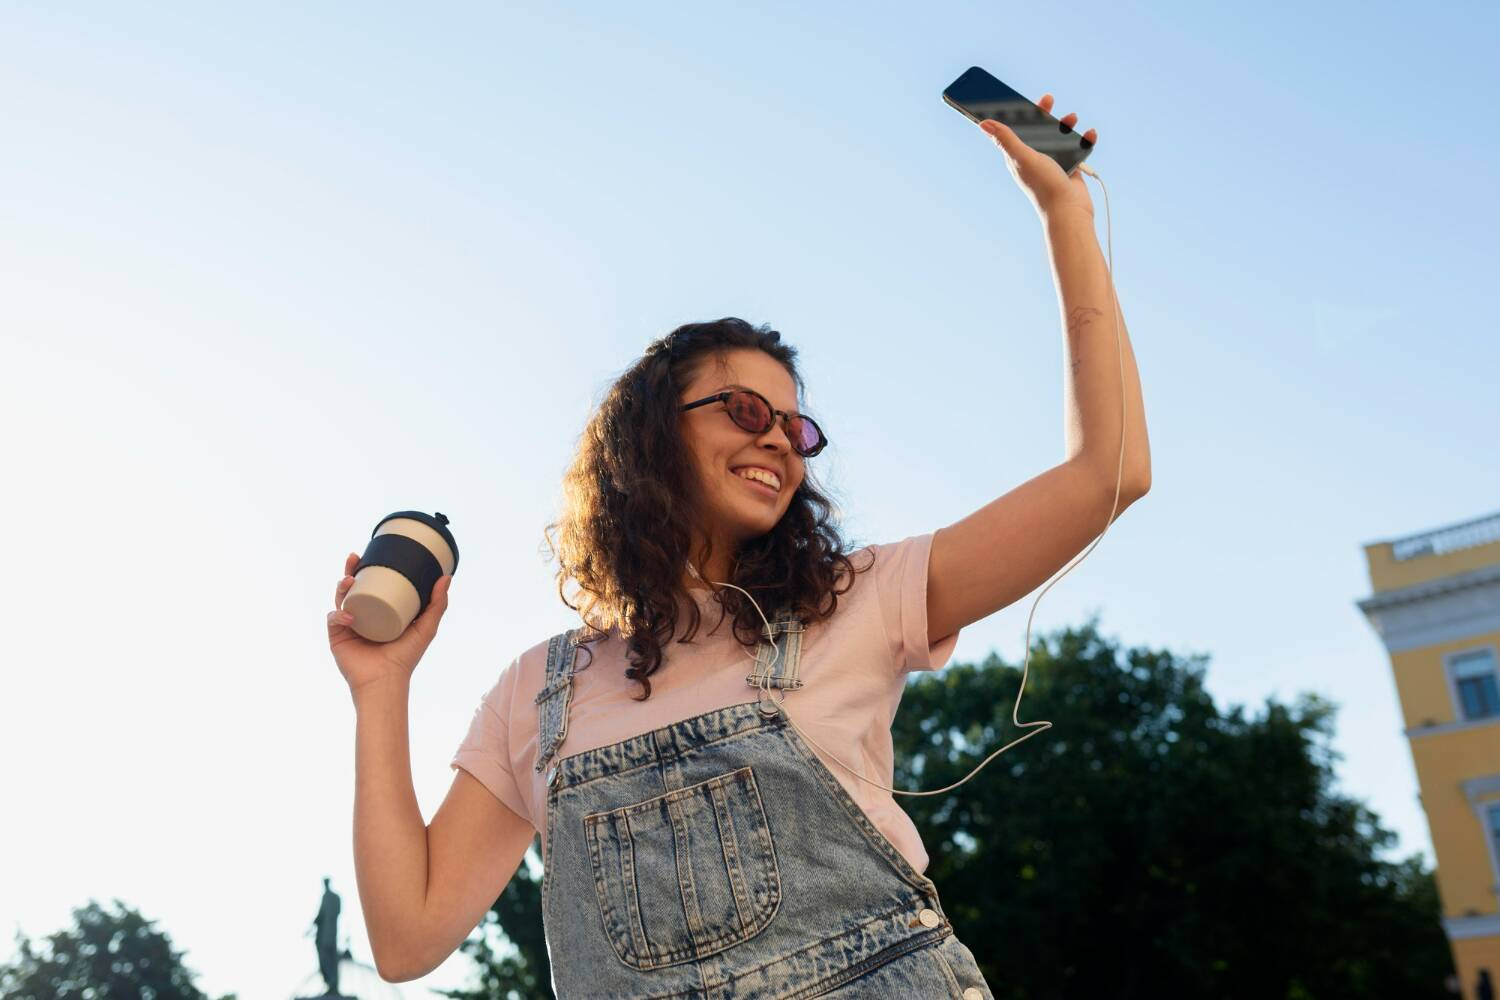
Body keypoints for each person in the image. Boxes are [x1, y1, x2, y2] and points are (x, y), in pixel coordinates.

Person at [329, 92, 1148, 996]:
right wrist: (382, 686)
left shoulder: (859, 598)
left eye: (797, 430)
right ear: (650, 433)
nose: (779, 442)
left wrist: (1065, 213)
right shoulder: (537, 694)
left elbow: (1109, 474)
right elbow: (406, 939)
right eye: (748, 411)